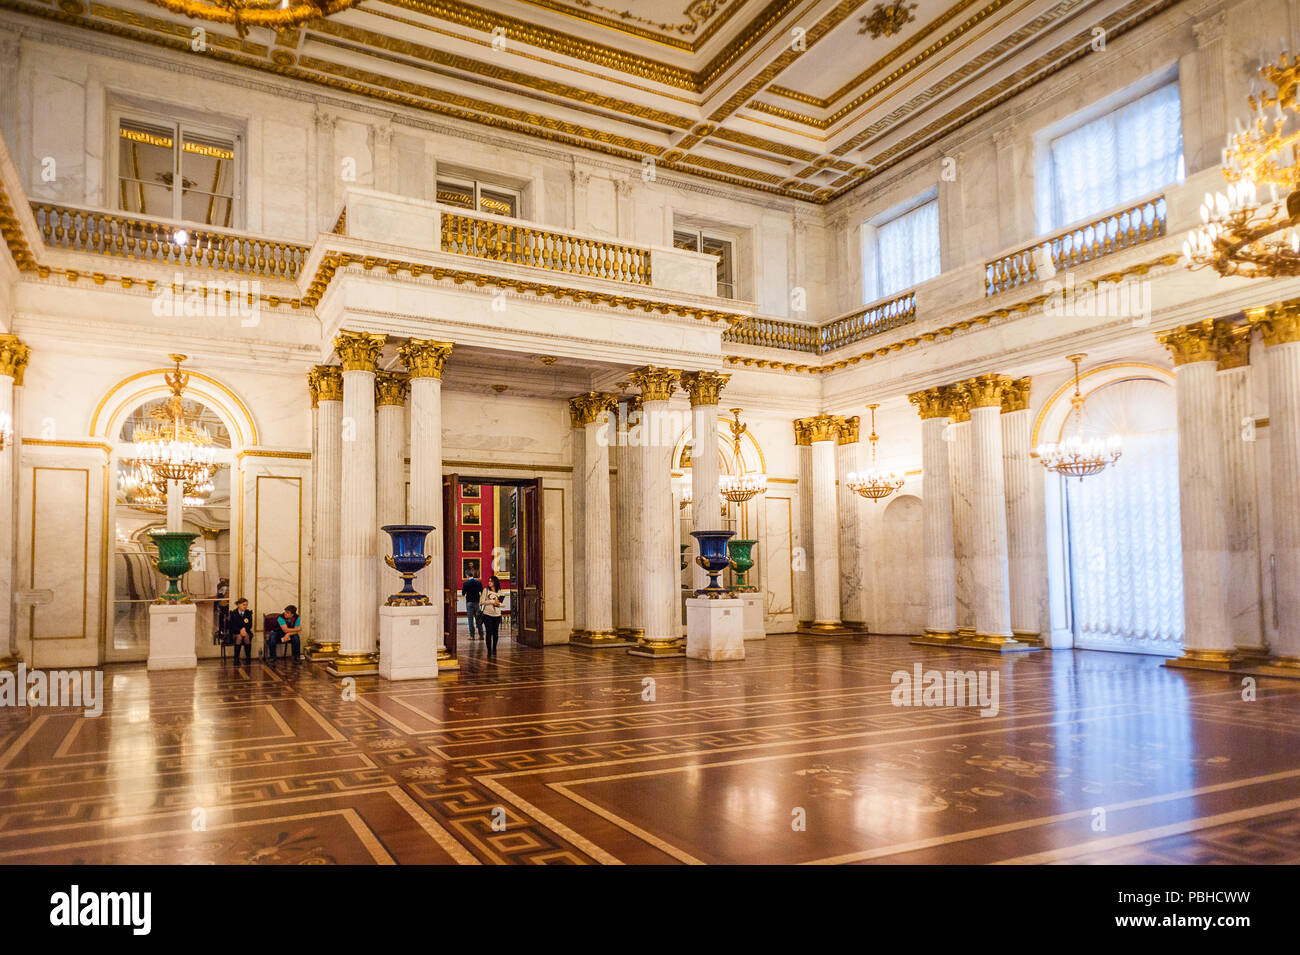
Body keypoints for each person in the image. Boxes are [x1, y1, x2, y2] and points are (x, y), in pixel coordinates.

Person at [480, 576, 504, 656]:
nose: (489, 582)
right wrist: (492, 601)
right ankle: (489, 650)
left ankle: (494, 648)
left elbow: (503, 604)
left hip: (497, 615)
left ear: (495, 582)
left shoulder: (500, 592)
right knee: (489, 632)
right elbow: (481, 602)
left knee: (495, 632)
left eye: (491, 581)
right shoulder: (485, 590)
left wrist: (498, 604)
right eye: (489, 581)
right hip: (487, 614)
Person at [228, 597, 253, 665]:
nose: (245, 606)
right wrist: (240, 630)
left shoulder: (248, 613)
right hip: (235, 632)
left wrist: (244, 629)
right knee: (239, 637)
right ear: (238, 604)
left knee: (246, 637)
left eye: (246, 605)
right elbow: (232, 626)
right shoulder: (233, 613)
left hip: (246, 632)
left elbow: (250, 625)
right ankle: (236, 659)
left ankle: (248, 658)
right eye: (244, 604)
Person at [462, 572, 484, 640]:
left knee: (470, 620)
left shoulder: (466, 583)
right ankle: (481, 635)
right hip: (477, 602)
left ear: (467, 576)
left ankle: (472, 636)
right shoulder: (478, 582)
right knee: (478, 619)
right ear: (473, 575)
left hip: (469, 602)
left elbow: (463, 593)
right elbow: (482, 591)